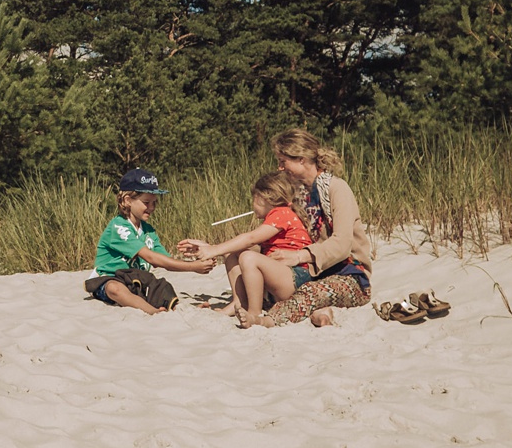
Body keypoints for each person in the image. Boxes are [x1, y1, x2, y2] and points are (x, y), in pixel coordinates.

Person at [262, 128, 373, 327]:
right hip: (310, 272)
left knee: (311, 292)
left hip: (349, 273)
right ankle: (321, 314)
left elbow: (341, 244)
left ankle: (267, 320)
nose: (279, 168)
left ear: (301, 159)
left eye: (283, 161)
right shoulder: (294, 193)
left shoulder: (336, 188)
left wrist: (298, 256)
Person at [176, 171, 314, 327]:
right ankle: (239, 302)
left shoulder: (281, 213)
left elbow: (250, 239)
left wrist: (213, 250)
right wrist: (210, 247)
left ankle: (254, 312)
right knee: (234, 253)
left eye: (254, 199)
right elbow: (248, 245)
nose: (252, 204)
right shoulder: (277, 216)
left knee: (248, 257)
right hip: (283, 277)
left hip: (296, 277)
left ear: (264, 197)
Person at [84, 168, 216, 314]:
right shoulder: (119, 227)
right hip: (110, 278)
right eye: (146, 202)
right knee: (114, 288)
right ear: (128, 200)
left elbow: (165, 260)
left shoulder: (148, 230)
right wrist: (193, 267)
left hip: (137, 281)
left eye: (155, 202)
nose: (151, 207)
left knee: (161, 286)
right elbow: (151, 257)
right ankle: (153, 311)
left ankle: (181, 309)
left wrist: (195, 256)